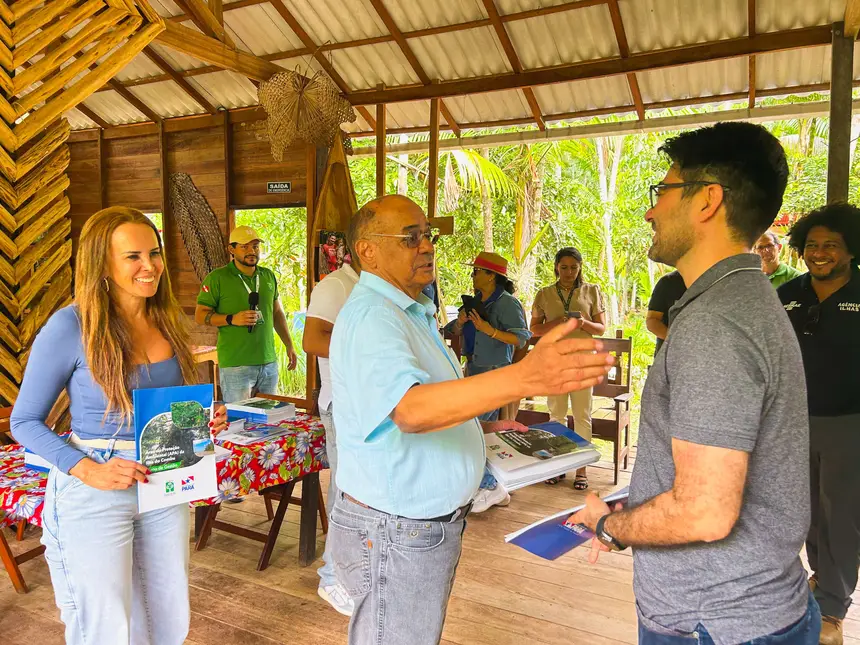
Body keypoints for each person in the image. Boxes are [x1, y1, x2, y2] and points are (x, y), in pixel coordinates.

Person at [570, 122, 819, 644]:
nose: (650, 211)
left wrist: (608, 527)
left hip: (713, 621)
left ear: (707, 200)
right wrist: (637, 504)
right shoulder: (741, 300)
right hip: (752, 608)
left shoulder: (715, 324)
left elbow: (705, 511)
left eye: (662, 191)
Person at [328, 194, 614, 645]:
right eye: (410, 238)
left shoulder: (409, 310)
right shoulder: (373, 316)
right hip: (395, 528)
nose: (426, 246)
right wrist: (524, 376)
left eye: (428, 236)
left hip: (415, 526)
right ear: (367, 250)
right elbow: (410, 410)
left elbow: (410, 402)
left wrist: (476, 427)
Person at [10, 207, 229, 645]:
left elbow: (167, 406)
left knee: (166, 614)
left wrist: (204, 417)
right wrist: (87, 469)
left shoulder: (166, 318)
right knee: (105, 625)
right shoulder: (71, 326)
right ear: (102, 264)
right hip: (96, 484)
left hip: (164, 480)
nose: (150, 266)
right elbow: (24, 421)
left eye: (154, 253)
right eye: (133, 256)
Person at [778, 204, 860, 645]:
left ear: (851, 250)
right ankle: (821, 577)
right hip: (794, 423)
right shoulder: (787, 294)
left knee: (842, 515)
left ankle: (833, 605)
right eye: (811, 245)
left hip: (849, 423)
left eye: (831, 245)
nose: (819, 253)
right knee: (806, 510)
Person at [445, 251, 531, 512]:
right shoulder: (476, 301)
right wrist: (460, 322)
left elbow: (521, 338)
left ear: (491, 276)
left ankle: (489, 484)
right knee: (479, 428)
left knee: (474, 427)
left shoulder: (507, 304)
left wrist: (490, 330)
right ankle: (495, 486)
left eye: (477, 271)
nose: (473, 275)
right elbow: (450, 330)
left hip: (494, 371)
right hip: (474, 368)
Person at [303, 246, 361, 617]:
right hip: (341, 404)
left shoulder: (373, 286)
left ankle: (350, 569)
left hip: (364, 405)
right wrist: (366, 349)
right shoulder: (336, 285)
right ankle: (331, 577)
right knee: (344, 489)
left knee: (358, 491)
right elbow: (311, 341)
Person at [530, 247, 606, 490]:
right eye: (564, 267)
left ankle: (581, 470)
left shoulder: (591, 291)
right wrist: (557, 322)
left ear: (580, 268)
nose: (569, 272)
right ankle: (559, 466)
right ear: (556, 267)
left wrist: (583, 323)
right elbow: (535, 329)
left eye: (574, 267)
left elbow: (601, 328)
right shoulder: (544, 294)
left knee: (582, 416)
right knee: (557, 415)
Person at [195, 225, 297, 403]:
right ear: (231, 249)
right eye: (244, 247)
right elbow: (200, 315)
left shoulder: (267, 276)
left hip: (268, 363)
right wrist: (231, 319)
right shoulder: (217, 278)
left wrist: (289, 345)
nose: (252, 251)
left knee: (268, 417)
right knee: (239, 417)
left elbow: (276, 312)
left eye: (255, 246)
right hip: (236, 365)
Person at [645, 270, 686, 355]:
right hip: (669, 355)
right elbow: (652, 321)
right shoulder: (668, 282)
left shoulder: (712, 282)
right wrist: (678, 341)